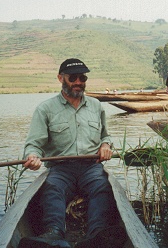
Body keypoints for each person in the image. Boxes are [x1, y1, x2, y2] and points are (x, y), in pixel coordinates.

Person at [20, 58, 126, 248]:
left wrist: (105, 146)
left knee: (102, 186)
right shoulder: (45, 109)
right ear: (61, 78)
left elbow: (105, 136)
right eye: (73, 78)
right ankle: (53, 234)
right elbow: (34, 144)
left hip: (91, 167)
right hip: (61, 168)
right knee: (52, 188)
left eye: (82, 78)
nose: (78, 82)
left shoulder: (96, 106)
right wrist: (32, 156)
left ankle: (97, 234)